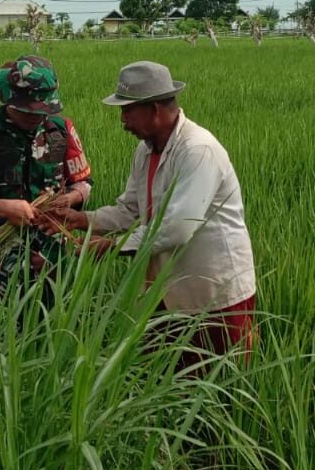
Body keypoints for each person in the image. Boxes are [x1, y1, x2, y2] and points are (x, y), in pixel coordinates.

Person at [44, 61, 257, 369]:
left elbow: (178, 228)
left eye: (128, 111)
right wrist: (82, 220)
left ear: (155, 109)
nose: (123, 121)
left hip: (214, 291)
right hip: (166, 289)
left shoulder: (197, 151)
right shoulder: (146, 151)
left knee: (221, 382)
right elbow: (130, 209)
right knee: (165, 375)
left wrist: (112, 246)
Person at [0, 55, 92, 301]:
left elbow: (84, 182)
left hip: (53, 252)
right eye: (28, 110)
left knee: (54, 323)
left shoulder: (61, 130)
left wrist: (70, 198)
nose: (36, 117)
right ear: (8, 99)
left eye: (43, 110)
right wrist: (3, 208)